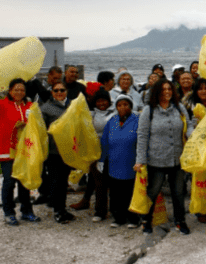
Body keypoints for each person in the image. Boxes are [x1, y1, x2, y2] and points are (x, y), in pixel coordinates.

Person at [134, 78, 194, 235]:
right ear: (156, 92)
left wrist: (193, 138)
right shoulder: (149, 110)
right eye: (163, 89)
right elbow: (142, 135)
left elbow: (188, 126)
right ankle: (146, 220)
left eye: (169, 89)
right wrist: (140, 160)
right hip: (156, 160)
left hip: (177, 159)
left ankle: (180, 221)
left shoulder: (179, 108)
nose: (166, 92)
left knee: (179, 192)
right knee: (153, 191)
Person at [0, 78, 40, 226]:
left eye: (22, 89)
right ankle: (9, 213)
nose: (19, 92)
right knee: (9, 182)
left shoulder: (30, 106)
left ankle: (26, 211)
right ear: (10, 90)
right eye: (16, 89)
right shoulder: (1, 104)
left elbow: (37, 126)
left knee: (25, 182)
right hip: (7, 151)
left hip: (25, 151)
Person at [69, 88, 115, 221]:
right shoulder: (91, 114)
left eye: (104, 100)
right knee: (100, 183)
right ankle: (100, 211)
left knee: (115, 182)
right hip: (96, 153)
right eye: (99, 100)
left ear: (109, 101)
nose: (102, 103)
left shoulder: (115, 112)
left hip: (114, 152)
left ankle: (116, 209)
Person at [99, 94, 140, 228]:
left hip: (131, 163)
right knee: (116, 193)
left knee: (130, 191)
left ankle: (133, 218)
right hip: (114, 162)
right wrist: (101, 159)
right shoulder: (112, 121)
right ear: (116, 107)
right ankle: (118, 217)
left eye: (125, 104)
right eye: (119, 105)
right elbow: (104, 141)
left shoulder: (137, 120)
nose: (122, 107)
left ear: (130, 106)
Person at [41, 81, 76, 224]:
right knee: (56, 182)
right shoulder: (46, 108)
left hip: (68, 151)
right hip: (54, 152)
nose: (59, 92)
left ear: (66, 91)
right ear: (52, 92)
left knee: (64, 182)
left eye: (62, 90)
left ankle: (62, 208)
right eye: (56, 90)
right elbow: (42, 130)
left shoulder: (72, 106)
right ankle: (57, 210)